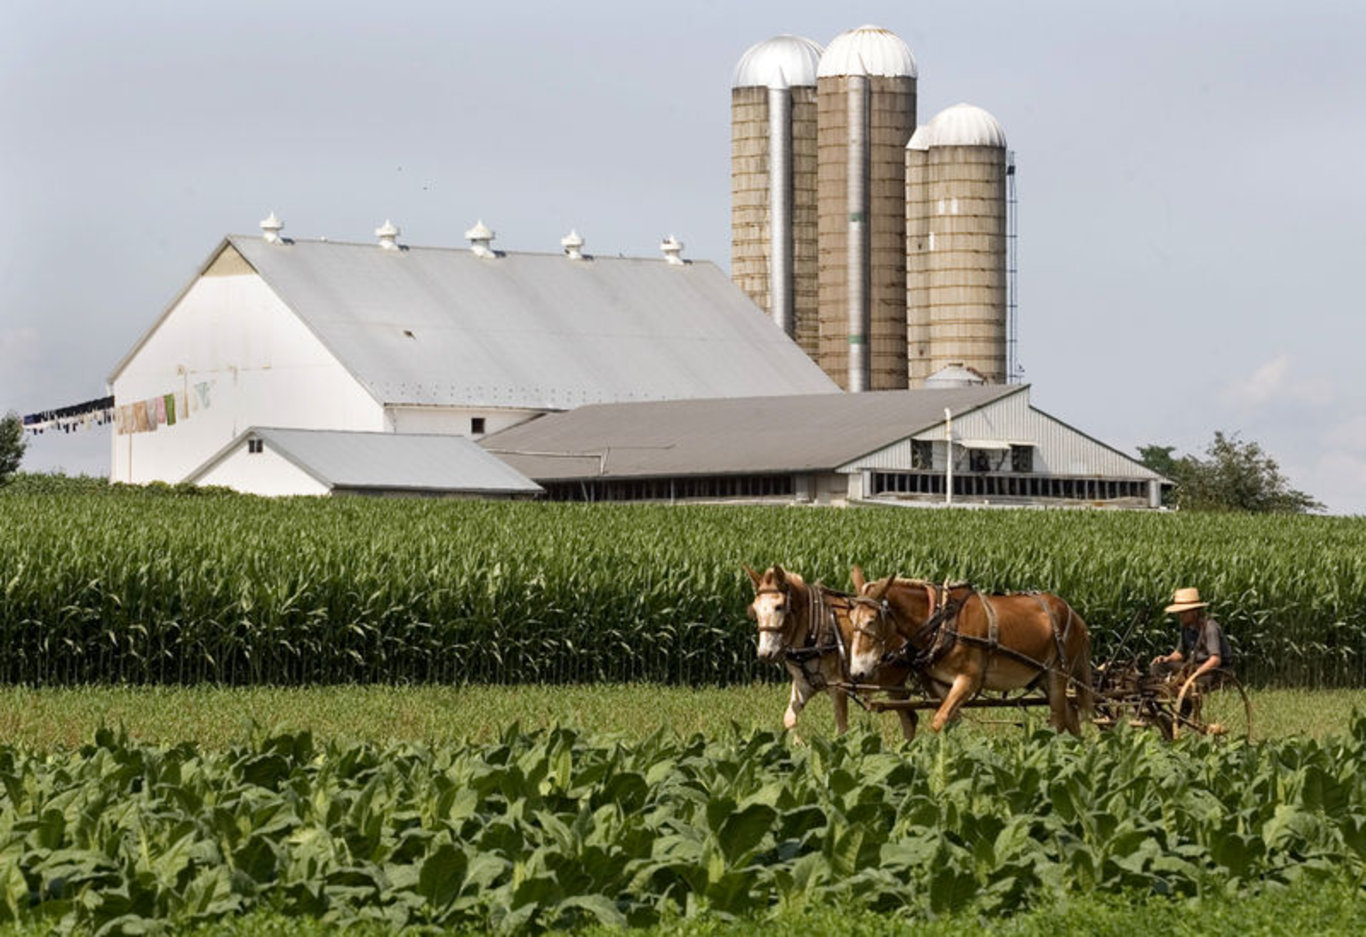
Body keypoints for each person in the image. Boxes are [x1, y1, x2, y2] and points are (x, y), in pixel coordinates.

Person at [1151, 587, 1231, 683]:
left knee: (1200, 679)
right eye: (1180, 613)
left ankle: (1180, 683)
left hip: (1212, 669)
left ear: (1194, 612)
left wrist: (1196, 673)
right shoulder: (1186, 628)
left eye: (1184, 613)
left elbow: (1215, 660)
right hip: (1193, 665)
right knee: (1158, 666)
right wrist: (1168, 658)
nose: (1181, 616)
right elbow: (1180, 653)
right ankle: (1167, 685)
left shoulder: (1210, 628)